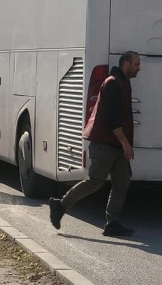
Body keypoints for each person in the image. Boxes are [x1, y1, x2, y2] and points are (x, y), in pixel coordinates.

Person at [48, 51, 141, 237]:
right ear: (126, 64)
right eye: (136, 64)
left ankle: (112, 223)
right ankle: (60, 205)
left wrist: (124, 144)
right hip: (105, 144)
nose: (139, 68)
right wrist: (126, 144)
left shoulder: (123, 82)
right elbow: (113, 120)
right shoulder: (113, 83)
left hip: (116, 144)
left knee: (122, 183)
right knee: (94, 182)